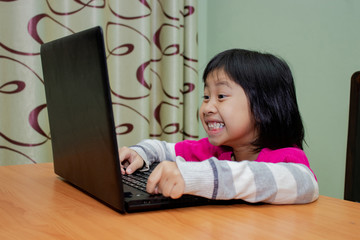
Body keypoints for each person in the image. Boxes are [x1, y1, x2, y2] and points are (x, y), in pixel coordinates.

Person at [118, 49, 319, 204]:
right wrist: (140, 154)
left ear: (263, 107)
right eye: (206, 97)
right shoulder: (214, 151)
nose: (207, 107)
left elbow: (305, 184)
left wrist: (200, 176)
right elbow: (164, 149)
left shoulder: (287, 158)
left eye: (221, 96)